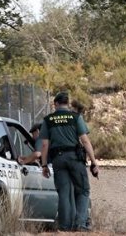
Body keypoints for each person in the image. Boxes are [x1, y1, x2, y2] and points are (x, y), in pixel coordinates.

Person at [40, 92, 99, 231]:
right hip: (74, 158)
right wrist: (93, 161)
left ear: (56, 104)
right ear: (68, 103)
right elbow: (85, 140)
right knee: (83, 190)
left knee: (64, 193)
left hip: (58, 160)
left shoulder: (48, 120)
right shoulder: (75, 117)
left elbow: (44, 145)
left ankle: (65, 228)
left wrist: (44, 165)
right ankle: (80, 224)